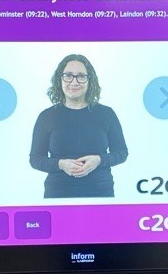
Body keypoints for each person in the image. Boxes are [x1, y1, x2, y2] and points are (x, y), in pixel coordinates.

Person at [30, 53, 128, 198]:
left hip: (100, 193)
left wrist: (99, 160)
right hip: (58, 194)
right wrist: (60, 164)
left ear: (90, 81)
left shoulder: (106, 114)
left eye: (81, 76)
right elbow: (35, 159)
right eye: (68, 75)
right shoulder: (47, 116)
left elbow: (121, 152)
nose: (74, 82)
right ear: (60, 79)